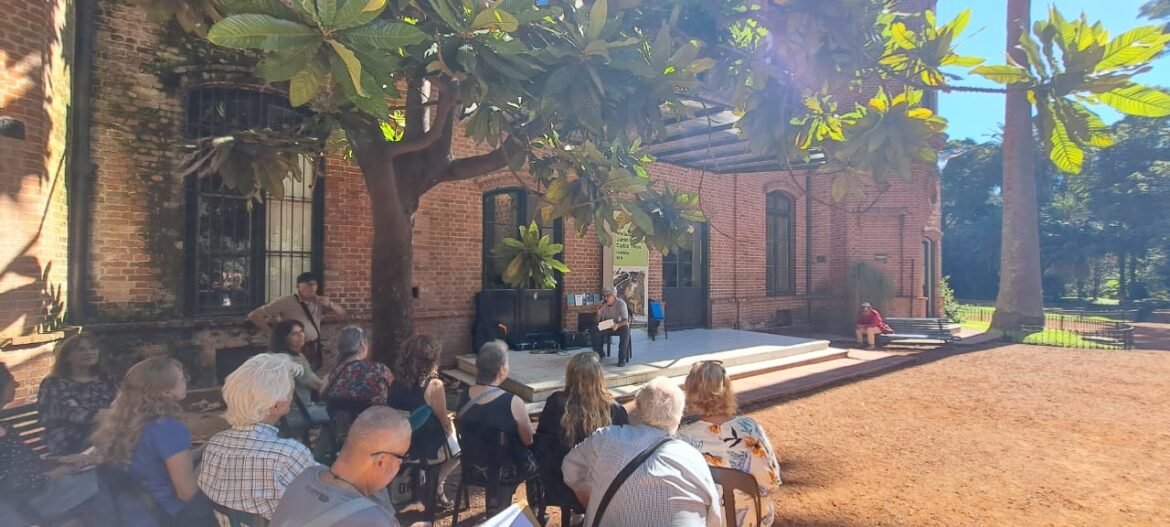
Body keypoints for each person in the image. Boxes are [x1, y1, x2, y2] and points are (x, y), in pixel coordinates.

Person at [562, 376, 721, 527]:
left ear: (637, 410)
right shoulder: (692, 457)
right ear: (678, 417)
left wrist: (588, 499)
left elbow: (570, 468)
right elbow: (714, 517)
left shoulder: (605, 438)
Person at [91, 356, 214, 527]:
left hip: (137, 512)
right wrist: (210, 462)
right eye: (182, 378)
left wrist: (203, 450)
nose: (186, 381)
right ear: (165, 392)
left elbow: (155, 463)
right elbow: (187, 493)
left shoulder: (125, 423)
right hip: (173, 515)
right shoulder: (169, 428)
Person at [198, 353, 318, 519]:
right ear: (276, 405)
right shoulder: (288, 454)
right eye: (291, 389)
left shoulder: (215, 444)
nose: (293, 393)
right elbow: (320, 500)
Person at [270, 407, 427, 527]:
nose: (401, 464)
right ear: (382, 461)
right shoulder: (375, 520)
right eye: (402, 457)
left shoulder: (304, 477)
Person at [0, 363, 108, 526]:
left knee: (100, 475)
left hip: (34, 491)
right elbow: (15, 483)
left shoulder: (5, 427)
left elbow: (24, 462)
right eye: (10, 379)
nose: (17, 384)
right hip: (23, 504)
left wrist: (59, 460)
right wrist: (63, 471)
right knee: (100, 483)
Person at [678, 361, 781, 527]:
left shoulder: (682, 438)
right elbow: (772, 480)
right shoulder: (750, 428)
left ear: (691, 393)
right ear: (727, 391)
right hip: (752, 520)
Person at [534, 352, 628, 508]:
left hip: (560, 485)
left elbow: (542, 445)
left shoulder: (555, 403)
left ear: (570, 375)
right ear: (599, 377)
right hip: (601, 488)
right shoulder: (614, 410)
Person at [455, 340, 537, 515]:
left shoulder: (463, 396)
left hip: (473, 467)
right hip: (503, 473)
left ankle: (496, 508)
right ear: (501, 369)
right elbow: (528, 440)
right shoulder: (513, 402)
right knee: (538, 457)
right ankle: (537, 511)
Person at [388, 334, 459, 510]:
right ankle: (437, 484)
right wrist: (450, 425)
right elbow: (443, 422)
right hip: (424, 445)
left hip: (399, 440)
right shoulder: (434, 385)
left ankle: (433, 483)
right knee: (459, 448)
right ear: (432, 358)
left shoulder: (395, 382)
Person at [247, 271, 347, 374]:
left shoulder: (319, 301)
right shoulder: (287, 301)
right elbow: (254, 315)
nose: (312, 287)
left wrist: (330, 304)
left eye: (314, 284)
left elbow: (342, 314)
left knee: (310, 376)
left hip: (312, 348)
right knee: (294, 377)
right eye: (308, 284)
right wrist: (272, 333)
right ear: (298, 286)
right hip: (292, 349)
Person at [37, 334, 118, 455]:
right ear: (67, 357)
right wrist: (111, 415)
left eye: (92, 348)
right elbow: (72, 414)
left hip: (105, 430)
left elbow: (122, 402)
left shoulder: (105, 378)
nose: (89, 352)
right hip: (68, 438)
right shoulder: (54, 383)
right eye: (81, 349)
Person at [323, 326, 395, 444]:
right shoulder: (378, 369)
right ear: (363, 345)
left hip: (344, 439)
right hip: (377, 435)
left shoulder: (332, 375)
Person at [269, 319, 329, 430]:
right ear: (283, 338)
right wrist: (333, 376)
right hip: (299, 413)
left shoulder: (272, 356)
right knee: (338, 413)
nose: (301, 336)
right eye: (294, 334)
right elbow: (319, 386)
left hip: (276, 415)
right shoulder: (294, 361)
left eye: (301, 331)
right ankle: (326, 447)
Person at [591, 285, 631, 366]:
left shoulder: (621, 303)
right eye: (604, 296)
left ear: (614, 296)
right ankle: (600, 354)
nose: (605, 298)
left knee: (626, 330)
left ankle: (621, 359)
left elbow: (626, 320)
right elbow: (596, 321)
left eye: (608, 295)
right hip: (607, 324)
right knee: (593, 328)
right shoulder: (601, 304)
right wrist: (598, 313)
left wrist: (617, 325)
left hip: (618, 324)